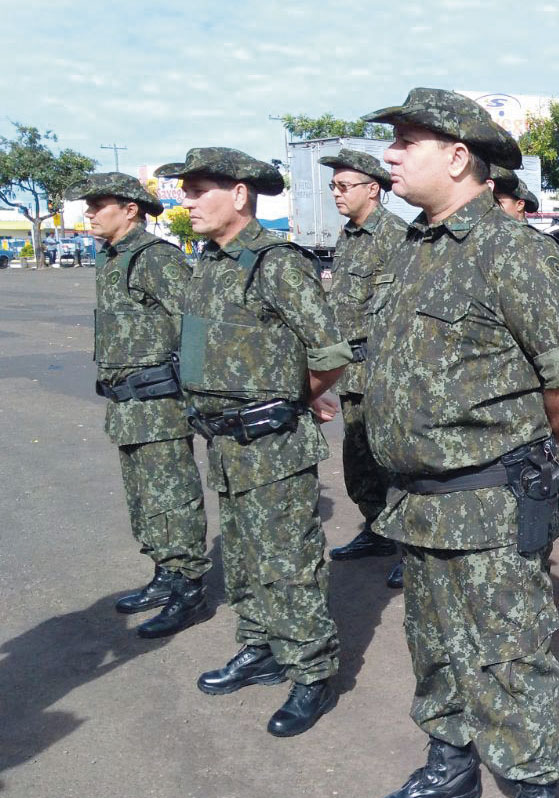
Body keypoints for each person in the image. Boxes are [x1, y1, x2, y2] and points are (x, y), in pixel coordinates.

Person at [358, 88, 559, 798]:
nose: (390, 155)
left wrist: (514, 453)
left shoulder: (512, 251)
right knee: (432, 647)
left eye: (406, 141)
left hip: (487, 500)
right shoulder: (414, 249)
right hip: (417, 503)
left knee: (508, 651)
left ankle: (535, 794)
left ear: (458, 157)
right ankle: (450, 762)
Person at [156, 147, 350, 737]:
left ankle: (311, 670)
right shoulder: (210, 264)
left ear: (238, 194)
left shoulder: (276, 263)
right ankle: (261, 646)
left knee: (288, 560)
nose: (185, 201)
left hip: (271, 443)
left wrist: (292, 398)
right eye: (183, 191)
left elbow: (328, 352)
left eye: (196, 191)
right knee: (241, 556)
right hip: (225, 444)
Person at [69, 172, 212, 638]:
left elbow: (197, 324)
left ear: (130, 210)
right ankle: (165, 574)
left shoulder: (155, 260)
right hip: (127, 403)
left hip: (159, 402)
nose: (89, 212)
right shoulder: (112, 259)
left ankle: (189, 590)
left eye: (98, 204)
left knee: (172, 498)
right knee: (144, 500)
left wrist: (197, 394)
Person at [319, 148, 409, 588]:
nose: (336, 193)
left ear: (373, 189)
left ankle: (412, 549)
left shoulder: (394, 236)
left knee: (395, 464)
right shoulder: (350, 236)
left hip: (383, 372)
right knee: (359, 465)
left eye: (343, 185)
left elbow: (404, 311)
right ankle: (377, 531)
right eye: (333, 186)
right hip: (352, 372)